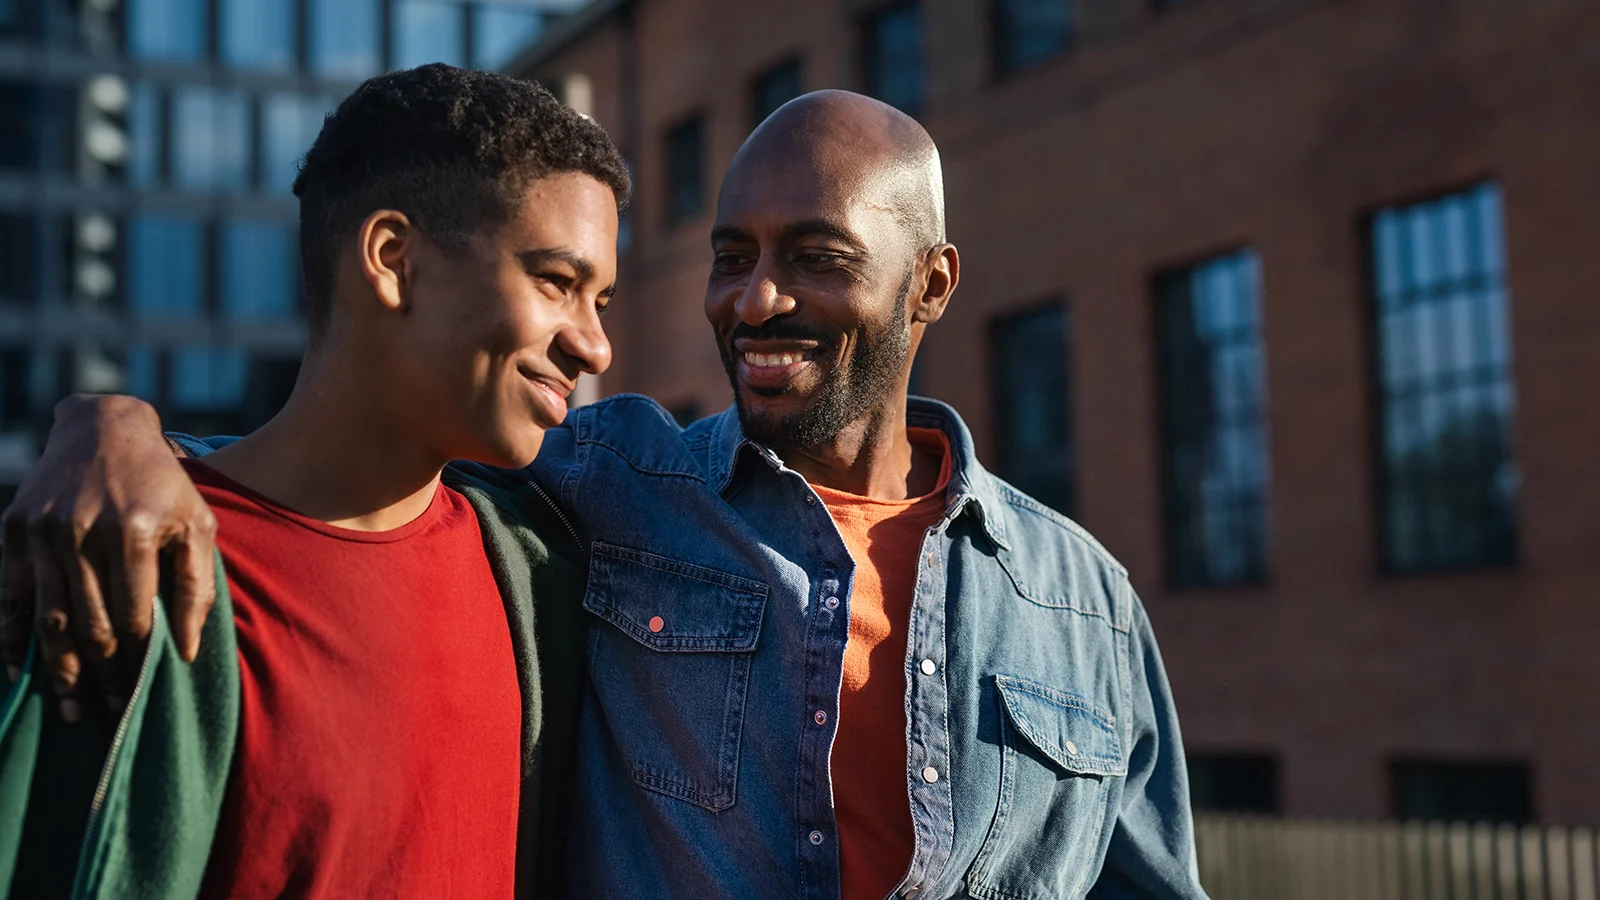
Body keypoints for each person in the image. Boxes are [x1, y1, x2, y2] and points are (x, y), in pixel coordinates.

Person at [3, 91, 1209, 899]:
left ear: (930, 286)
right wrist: (115, 428)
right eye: (731, 257)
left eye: (816, 257)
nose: (755, 301)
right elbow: (339, 460)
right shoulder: (606, 490)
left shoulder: (1085, 606)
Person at [0, 63, 626, 898]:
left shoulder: (548, 568)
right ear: (393, 259)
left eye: (601, 301)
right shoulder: (127, 570)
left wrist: (111, 421)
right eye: (557, 283)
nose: (593, 346)